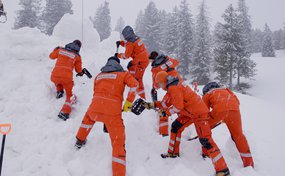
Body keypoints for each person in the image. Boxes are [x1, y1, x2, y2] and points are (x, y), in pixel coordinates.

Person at [155, 71, 230, 176]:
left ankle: (223, 170)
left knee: (206, 140)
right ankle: (173, 153)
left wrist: (166, 112)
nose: (160, 86)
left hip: (199, 113)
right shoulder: (172, 85)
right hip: (189, 112)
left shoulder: (173, 87)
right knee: (176, 127)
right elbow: (166, 103)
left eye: (160, 84)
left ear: (163, 81)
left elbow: (178, 107)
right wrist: (152, 104)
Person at [75, 56, 138, 176]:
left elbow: (96, 92)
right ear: (118, 64)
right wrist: (129, 102)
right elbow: (135, 85)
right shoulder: (123, 74)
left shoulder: (99, 76)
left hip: (95, 108)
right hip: (113, 113)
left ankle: (79, 140)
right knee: (118, 143)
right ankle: (119, 173)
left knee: (87, 120)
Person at [202, 82, 254, 168]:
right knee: (238, 135)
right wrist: (227, 115)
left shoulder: (208, 94)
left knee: (205, 131)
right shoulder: (226, 90)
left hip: (218, 111)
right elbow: (237, 102)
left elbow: (204, 111)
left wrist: (215, 117)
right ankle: (249, 163)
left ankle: (206, 153)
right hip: (234, 110)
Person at [148, 51, 181, 136]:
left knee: (163, 110)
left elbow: (156, 84)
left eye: (150, 61)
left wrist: (154, 89)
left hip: (172, 87)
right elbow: (177, 62)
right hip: (180, 83)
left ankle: (164, 133)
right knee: (181, 107)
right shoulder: (168, 59)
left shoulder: (156, 68)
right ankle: (183, 127)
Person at [49, 40, 83, 120]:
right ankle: (65, 112)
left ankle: (59, 91)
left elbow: (51, 56)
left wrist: (56, 49)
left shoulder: (60, 50)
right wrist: (81, 72)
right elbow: (78, 70)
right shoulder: (77, 56)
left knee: (58, 80)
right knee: (70, 95)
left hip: (54, 76)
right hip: (66, 78)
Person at [116, 25, 149, 99]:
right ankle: (131, 81)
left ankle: (142, 97)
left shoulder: (130, 42)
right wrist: (121, 43)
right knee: (130, 67)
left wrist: (118, 55)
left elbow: (126, 56)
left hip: (140, 63)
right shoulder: (136, 38)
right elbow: (130, 46)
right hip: (142, 60)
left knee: (138, 79)